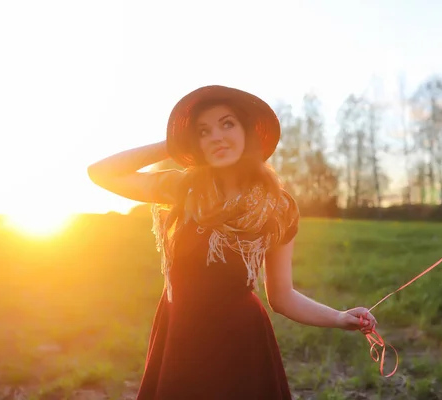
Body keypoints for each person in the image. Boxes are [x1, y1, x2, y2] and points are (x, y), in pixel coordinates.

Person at [87, 85, 378, 399]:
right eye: (203, 131)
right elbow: (101, 173)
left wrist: (338, 317)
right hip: (180, 332)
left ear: (247, 132)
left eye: (227, 124)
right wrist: (172, 146)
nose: (216, 136)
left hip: (241, 340)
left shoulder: (277, 207)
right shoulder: (183, 187)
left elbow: (281, 296)